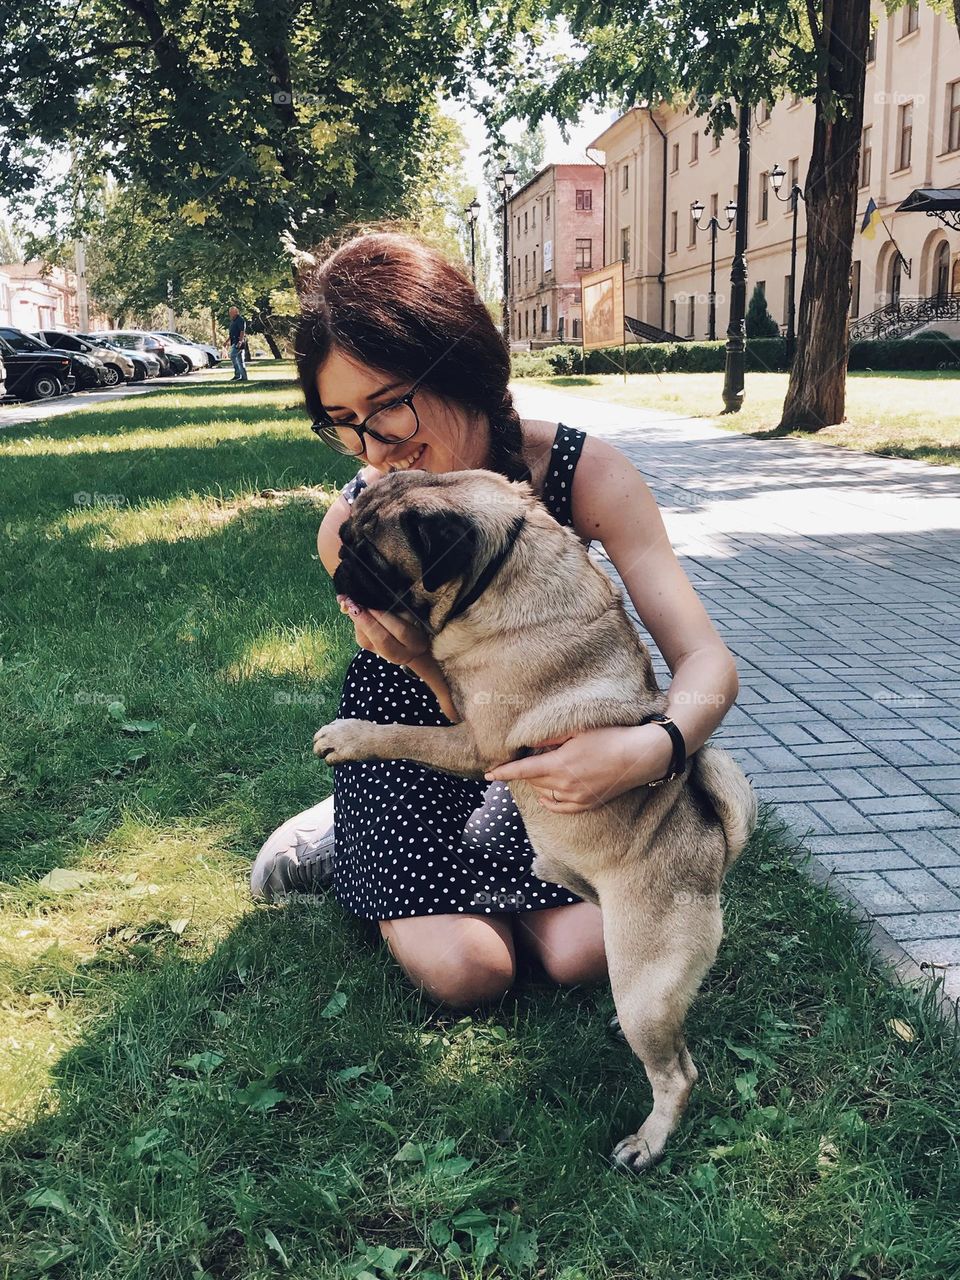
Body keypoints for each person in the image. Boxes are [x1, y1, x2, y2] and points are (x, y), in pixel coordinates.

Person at [251, 228, 741, 1012]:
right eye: (341, 419)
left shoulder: (583, 472)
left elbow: (708, 663)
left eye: (388, 406)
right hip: (415, 726)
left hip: (540, 744)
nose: (372, 450)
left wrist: (653, 748)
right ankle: (339, 834)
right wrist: (414, 661)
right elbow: (455, 707)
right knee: (471, 971)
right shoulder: (358, 525)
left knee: (582, 951)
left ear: (464, 364)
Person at [227, 305, 249, 382]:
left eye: (231, 312)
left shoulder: (240, 320)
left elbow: (242, 331)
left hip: (238, 342)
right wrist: (227, 341)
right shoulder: (233, 320)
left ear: (236, 312)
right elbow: (232, 332)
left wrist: (240, 341)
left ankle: (238, 375)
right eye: (229, 312)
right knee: (239, 360)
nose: (230, 314)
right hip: (234, 341)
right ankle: (242, 377)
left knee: (233, 356)